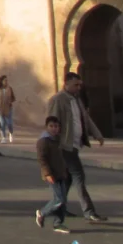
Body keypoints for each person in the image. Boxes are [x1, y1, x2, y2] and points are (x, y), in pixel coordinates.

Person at [46, 73, 107, 223]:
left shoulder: (77, 99)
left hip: (74, 144)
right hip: (65, 146)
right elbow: (52, 123)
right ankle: (89, 211)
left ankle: (58, 207)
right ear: (66, 84)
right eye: (75, 85)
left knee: (67, 180)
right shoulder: (58, 100)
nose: (78, 88)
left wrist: (97, 134)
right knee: (79, 176)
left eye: (80, 85)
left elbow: (85, 118)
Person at [35, 115, 70, 234]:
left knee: (63, 200)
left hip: (61, 173)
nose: (54, 128)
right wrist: (47, 173)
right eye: (51, 126)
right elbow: (42, 159)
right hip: (51, 174)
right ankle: (42, 213)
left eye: (56, 126)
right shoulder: (43, 141)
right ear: (46, 127)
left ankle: (58, 223)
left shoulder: (57, 139)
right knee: (58, 199)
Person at [0, 74, 16, 144]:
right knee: (2, 123)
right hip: (0, 109)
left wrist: (10, 101)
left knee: (9, 123)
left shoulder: (10, 89)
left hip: (8, 108)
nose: (6, 82)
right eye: (5, 80)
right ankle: (3, 137)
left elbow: (13, 98)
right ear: (1, 81)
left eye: (7, 80)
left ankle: (11, 133)